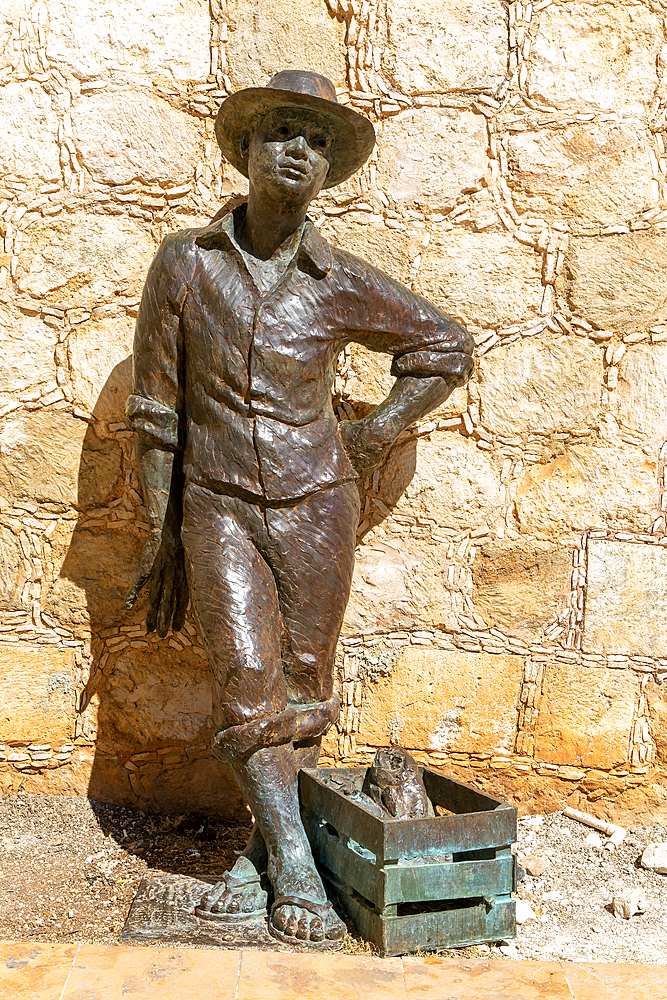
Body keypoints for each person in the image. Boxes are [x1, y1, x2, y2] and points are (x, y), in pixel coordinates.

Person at [125, 70, 474, 948]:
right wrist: (162, 530)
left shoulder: (340, 279)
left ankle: (258, 852)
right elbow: (157, 410)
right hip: (218, 505)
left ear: (328, 173)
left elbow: (442, 346)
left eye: (317, 142)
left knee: (306, 680)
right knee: (247, 679)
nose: (298, 151)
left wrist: (375, 434)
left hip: (318, 502)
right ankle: (297, 876)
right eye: (282, 132)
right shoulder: (186, 263)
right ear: (244, 150)